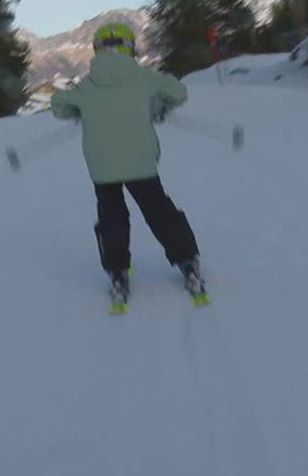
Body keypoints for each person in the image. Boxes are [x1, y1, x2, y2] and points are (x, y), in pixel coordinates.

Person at [50, 22, 205, 307]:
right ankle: (187, 261)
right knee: (159, 211)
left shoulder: (86, 85)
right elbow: (178, 92)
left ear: (96, 49)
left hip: (102, 167)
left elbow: (58, 104)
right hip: (141, 163)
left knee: (112, 217)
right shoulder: (144, 77)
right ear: (130, 46)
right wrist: (157, 107)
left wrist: (79, 110)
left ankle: (118, 270)